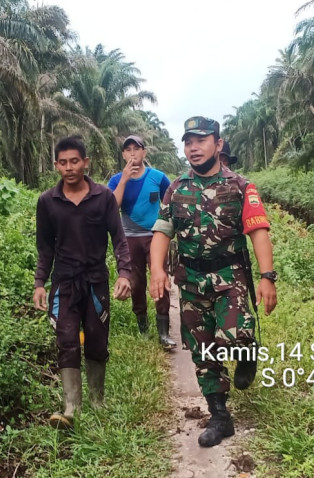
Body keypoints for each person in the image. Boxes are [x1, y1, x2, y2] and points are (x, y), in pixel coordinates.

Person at [149, 116, 278, 448]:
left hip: (229, 276)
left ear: (218, 145)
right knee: (203, 351)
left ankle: (246, 350)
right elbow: (162, 232)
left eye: (201, 140)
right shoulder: (177, 189)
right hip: (190, 281)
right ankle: (220, 416)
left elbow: (259, 232)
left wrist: (267, 278)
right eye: (188, 141)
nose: (193, 147)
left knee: (233, 334)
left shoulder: (240, 186)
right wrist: (157, 271)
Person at [33, 136, 133, 429]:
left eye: (74, 161)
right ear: (56, 165)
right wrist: (40, 282)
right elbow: (45, 248)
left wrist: (125, 273)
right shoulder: (47, 202)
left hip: (96, 282)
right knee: (66, 340)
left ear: (85, 162)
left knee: (97, 339)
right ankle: (71, 407)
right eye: (62, 162)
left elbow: (119, 239)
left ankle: (98, 401)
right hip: (63, 283)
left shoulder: (103, 198)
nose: (69, 167)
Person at [106, 135, 176, 348]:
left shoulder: (158, 177)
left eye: (137, 149)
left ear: (144, 152)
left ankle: (164, 332)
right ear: (123, 155)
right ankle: (143, 328)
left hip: (156, 237)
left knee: (160, 279)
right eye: (128, 150)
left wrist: (171, 232)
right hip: (129, 239)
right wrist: (125, 179)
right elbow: (111, 207)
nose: (133, 153)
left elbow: (171, 202)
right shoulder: (116, 180)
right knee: (136, 284)